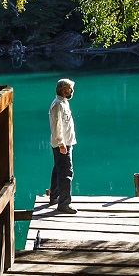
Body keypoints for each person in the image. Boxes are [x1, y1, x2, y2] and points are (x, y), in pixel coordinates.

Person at [48, 78, 77, 214]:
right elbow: (56, 126)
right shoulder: (58, 105)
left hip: (65, 143)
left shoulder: (63, 103)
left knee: (58, 169)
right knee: (66, 173)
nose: (72, 91)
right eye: (69, 88)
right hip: (62, 145)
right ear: (62, 90)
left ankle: (55, 197)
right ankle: (64, 204)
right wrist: (61, 144)